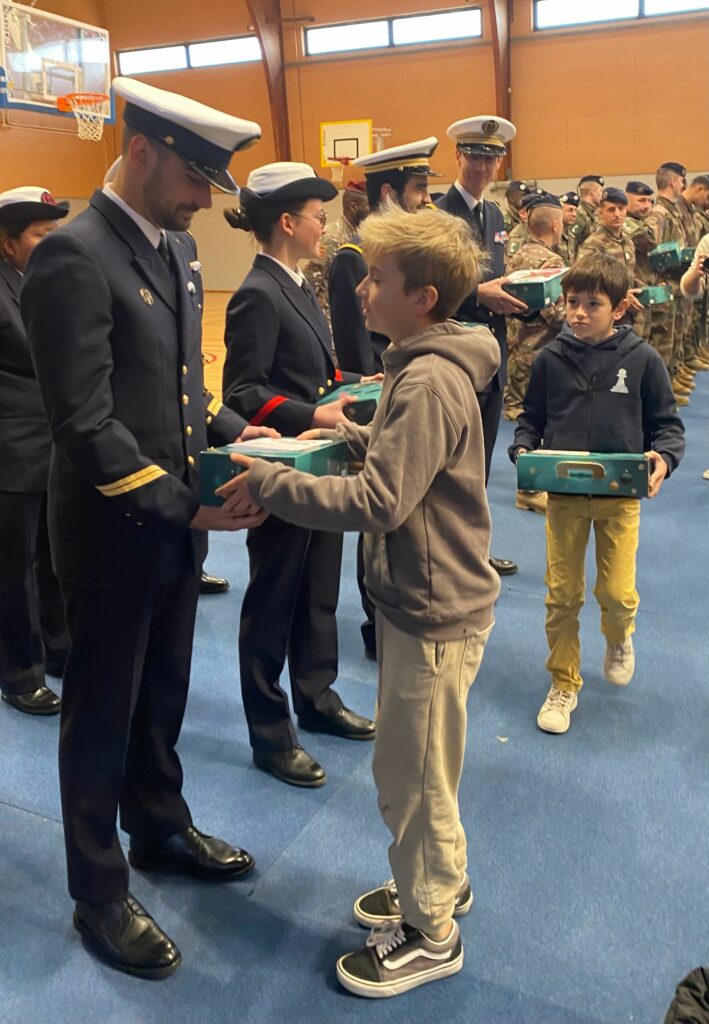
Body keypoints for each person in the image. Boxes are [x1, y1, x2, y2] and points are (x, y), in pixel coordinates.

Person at [218, 205, 501, 998]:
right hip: (425, 599)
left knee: (410, 777)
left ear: (424, 299)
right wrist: (327, 442)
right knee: (422, 765)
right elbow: (396, 459)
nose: (361, 289)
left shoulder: (430, 377)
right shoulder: (417, 362)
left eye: (378, 278)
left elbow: (380, 501)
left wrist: (272, 483)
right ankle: (438, 879)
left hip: (433, 608)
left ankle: (430, 929)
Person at [22, 76, 268, 980]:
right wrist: (183, 504)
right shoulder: (74, 255)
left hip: (172, 523)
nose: (205, 197)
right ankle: (97, 889)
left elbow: (180, 389)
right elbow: (83, 423)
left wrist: (244, 435)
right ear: (140, 153)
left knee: (163, 690)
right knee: (101, 713)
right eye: (195, 177)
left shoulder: (176, 249)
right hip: (111, 528)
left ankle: (158, 826)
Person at [222, 162, 376, 790]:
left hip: (319, 465)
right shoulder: (258, 293)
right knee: (273, 599)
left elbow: (314, 373)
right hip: (284, 466)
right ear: (287, 223)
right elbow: (243, 391)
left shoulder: (298, 285)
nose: (324, 227)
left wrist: (354, 384)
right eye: (317, 217)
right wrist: (312, 413)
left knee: (317, 589)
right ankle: (269, 730)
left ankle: (317, 697)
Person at [509, 254, 685, 734]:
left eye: (593, 304)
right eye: (572, 302)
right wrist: (523, 448)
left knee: (617, 594)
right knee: (562, 594)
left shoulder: (643, 360)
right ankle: (564, 681)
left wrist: (664, 459)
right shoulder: (550, 359)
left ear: (620, 308)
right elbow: (531, 419)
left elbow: (667, 427)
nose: (579, 313)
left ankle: (619, 636)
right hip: (564, 495)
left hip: (618, 497)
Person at [328, 137, 442, 657]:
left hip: (403, 382)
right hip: (376, 390)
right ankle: (376, 621)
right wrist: (367, 397)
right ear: (391, 194)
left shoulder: (405, 257)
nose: (427, 199)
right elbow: (356, 341)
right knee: (377, 511)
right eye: (419, 189)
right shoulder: (355, 258)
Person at [436, 115, 528, 577]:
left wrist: (521, 295)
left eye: (491, 159)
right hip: (454, 355)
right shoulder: (438, 214)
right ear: (458, 156)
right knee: (449, 462)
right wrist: (478, 294)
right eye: (475, 156)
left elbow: (497, 277)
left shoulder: (494, 215)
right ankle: (444, 555)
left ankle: (473, 551)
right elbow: (428, 288)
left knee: (482, 461)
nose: (483, 167)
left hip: (492, 355)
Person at [0, 187, 70, 715]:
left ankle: (58, 647)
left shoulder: (42, 283)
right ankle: (19, 672)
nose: (51, 244)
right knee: (13, 567)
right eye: (40, 236)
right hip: (10, 450)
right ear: (8, 243)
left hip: (51, 445)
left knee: (54, 556)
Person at [504, 193, 567, 512]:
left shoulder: (516, 255)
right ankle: (530, 487)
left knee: (527, 419)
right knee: (541, 421)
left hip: (517, 347)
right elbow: (556, 313)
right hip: (542, 350)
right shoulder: (551, 262)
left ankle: (530, 483)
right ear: (555, 225)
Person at [644, 162, 689, 399]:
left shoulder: (672, 210)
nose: (683, 184)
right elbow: (652, 250)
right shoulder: (660, 213)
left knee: (672, 339)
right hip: (664, 285)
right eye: (681, 180)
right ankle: (659, 395)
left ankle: (669, 382)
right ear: (673, 181)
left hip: (675, 284)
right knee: (661, 344)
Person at [302, 178, 369, 326]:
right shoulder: (331, 238)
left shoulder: (359, 235)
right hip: (332, 321)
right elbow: (312, 281)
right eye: (370, 206)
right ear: (353, 207)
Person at [623, 180, 663, 343]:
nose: (647, 206)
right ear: (627, 199)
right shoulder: (626, 222)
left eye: (649, 201)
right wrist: (656, 215)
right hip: (632, 295)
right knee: (635, 344)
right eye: (641, 200)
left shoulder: (640, 221)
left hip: (645, 291)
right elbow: (650, 241)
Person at [574, 174, 604, 247]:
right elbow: (572, 241)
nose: (602, 195)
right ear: (593, 192)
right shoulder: (579, 214)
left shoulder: (595, 212)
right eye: (601, 191)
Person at [558, 190, 581, 265]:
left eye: (575, 210)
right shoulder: (552, 236)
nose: (574, 214)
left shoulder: (572, 237)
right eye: (570, 210)